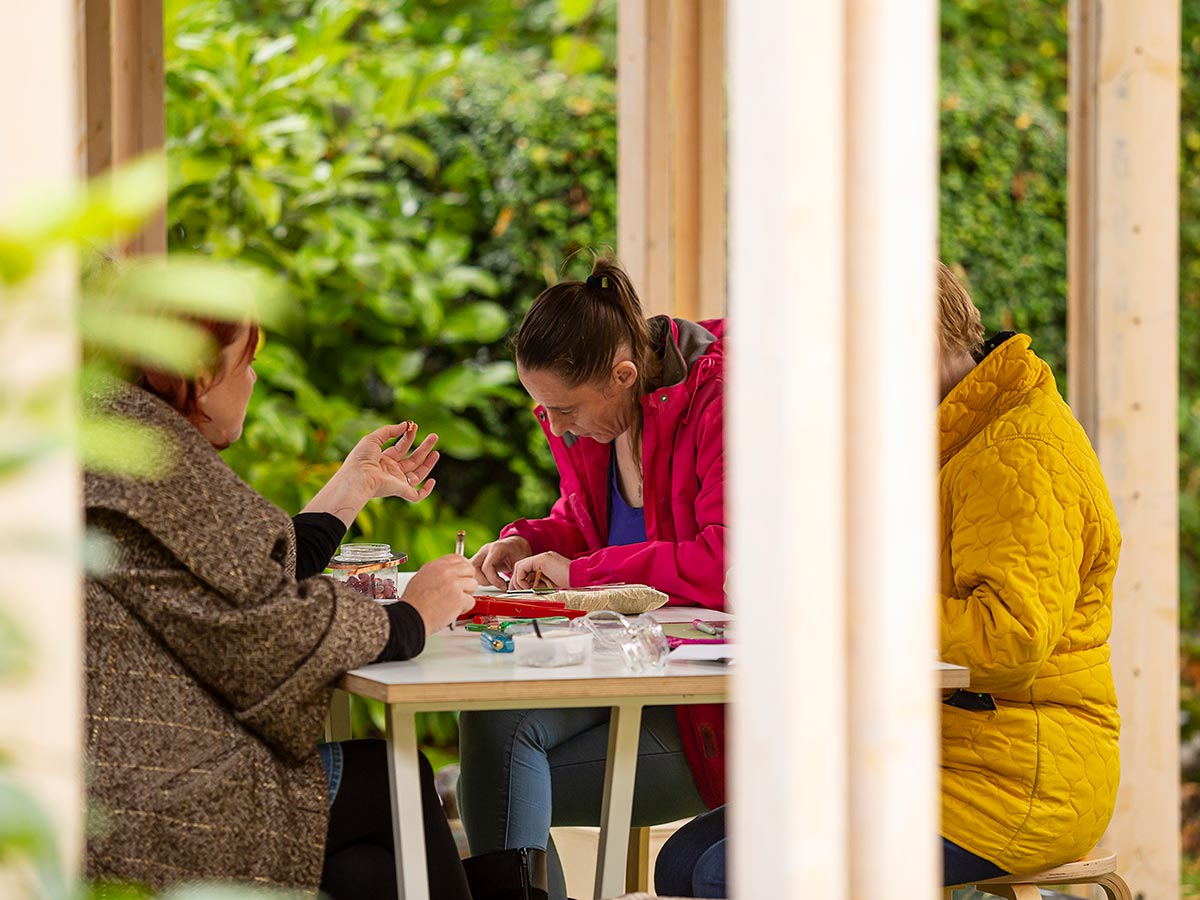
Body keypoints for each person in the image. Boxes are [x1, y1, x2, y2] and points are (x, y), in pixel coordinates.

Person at [653, 262, 1122, 893]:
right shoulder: (941, 437)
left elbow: (1006, 641)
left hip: (1019, 777)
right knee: (683, 860)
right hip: (928, 754)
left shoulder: (1021, 454)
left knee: (729, 873)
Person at [84, 315, 477, 899]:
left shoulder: (113, 443)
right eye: (248, 362)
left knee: (367, 870)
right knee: (394, 778)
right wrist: (412, 616)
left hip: (111, 787)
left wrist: (353, 487)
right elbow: (269, 633)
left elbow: (238, 580)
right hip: (152, 808)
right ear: (197, 373)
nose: (253, 380)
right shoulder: (152, 469)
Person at [458, 257, 727, 900]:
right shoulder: (600, 422)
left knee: (498, 777)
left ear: (624, 375)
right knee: (490, 722)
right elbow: (591, 529)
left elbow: (727, 565)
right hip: (631, 671)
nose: (555, 426)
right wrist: (530, 540)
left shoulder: (726, 400)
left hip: (714, 709)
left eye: (565, 409)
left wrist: (579, 570)